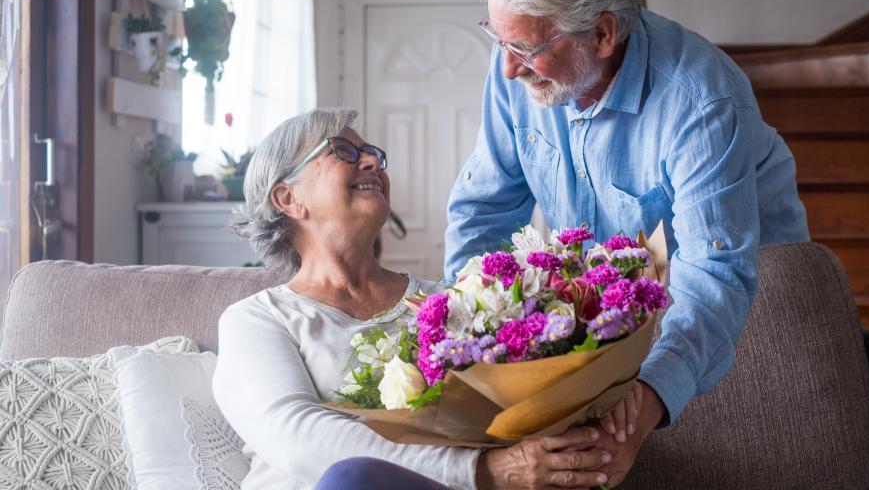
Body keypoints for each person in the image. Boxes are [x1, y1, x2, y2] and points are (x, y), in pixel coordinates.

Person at [443, 0, 810, 486]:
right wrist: (465, 338)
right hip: (626, 300)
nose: (508, 70)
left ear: (604, 32)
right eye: (498, 40)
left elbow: (716, 276)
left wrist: (640, 409)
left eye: (527, 50)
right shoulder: (515, 64)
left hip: (747, 296)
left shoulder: (700, 99)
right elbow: (484, 208)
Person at [213, 108, 621, 490]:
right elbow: (296, 436)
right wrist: (481, 472)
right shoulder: (258, 319)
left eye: (374, 155)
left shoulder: (456, 300)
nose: (373, 162)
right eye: (345, 151)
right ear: (288, 199)